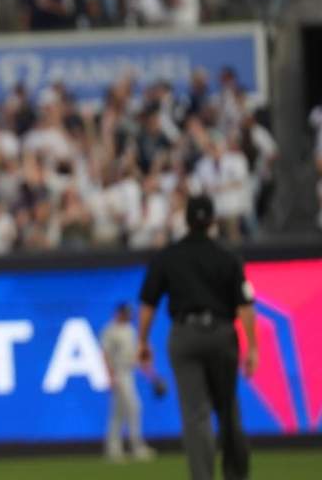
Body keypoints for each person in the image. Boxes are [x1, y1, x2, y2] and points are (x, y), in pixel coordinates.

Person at [138, 195, 257, 480]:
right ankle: (236, 475)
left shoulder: (168, 256)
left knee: (195, 415)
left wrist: (142, 341)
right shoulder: (227, 256)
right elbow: (245, 305)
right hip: (222, 335)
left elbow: (148, 304)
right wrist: (252, 347)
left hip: (185, 335)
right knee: (228, 411)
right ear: (212, 221)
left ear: (186, 220)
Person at [99, 302, 156, 462]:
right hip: (119, 373)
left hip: (130, 372)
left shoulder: (130, 330)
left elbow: (137, 354)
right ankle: (136, 446)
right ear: (119, 313)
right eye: (125, 313)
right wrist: (110, 376)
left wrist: (151, 374)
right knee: (134, 407)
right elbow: (105, 354)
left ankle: (114, 449)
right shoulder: (110, 330)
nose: (128, 316)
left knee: (117, 413)